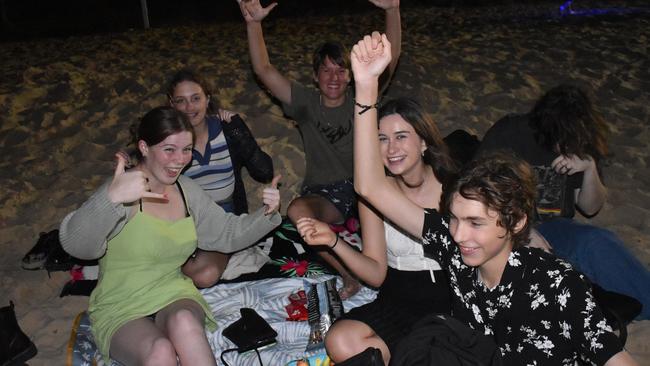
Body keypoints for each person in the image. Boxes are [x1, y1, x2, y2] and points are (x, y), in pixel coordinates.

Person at [313, 31, 636, 365]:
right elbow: (370, 188)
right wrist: (365, 87)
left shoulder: (553, 281)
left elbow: (612, 355)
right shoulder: (457, 258)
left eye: (476, 223)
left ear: (516, 223)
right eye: (453, 219)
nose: (459, 234)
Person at [59, 106, 281, 365]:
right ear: (144, 147)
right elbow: (77, 245)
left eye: (186, 149)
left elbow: (226, 234)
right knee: (160, 351)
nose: (179, 159)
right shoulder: (123, 190)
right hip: (120, 302)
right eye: (169, 149)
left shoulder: (186, 190)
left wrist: (267, 212)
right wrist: (110, 198)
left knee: (185, 323)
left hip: (172, 292)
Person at [238, 0, 401, 298]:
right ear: (315, 77)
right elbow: (263, 69)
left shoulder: (362, 96)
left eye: (340, 71)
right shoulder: (306, 104)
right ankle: (348, 275)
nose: (334, 78)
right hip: (327, 194)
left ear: (351, 75)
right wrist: (254, 24)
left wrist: (392, 10)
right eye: (326, 71)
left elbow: (391, 58)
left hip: (369, 188)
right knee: (297, 210)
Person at [296, 97, 456, 364]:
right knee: (339, 340)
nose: (391, 148)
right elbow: (376, 274)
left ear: (424, 142)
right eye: (382, 139)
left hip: (447, 298)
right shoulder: (373, 194)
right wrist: (334, 241)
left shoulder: (453, 188)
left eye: (401, 136)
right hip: (398, 297)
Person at [478, 84, 650, 319]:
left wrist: (589, 169)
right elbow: (477, 191)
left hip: (555, 228)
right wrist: (521, 229)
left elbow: (590, 208)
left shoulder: (578, 144)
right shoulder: (511, 132)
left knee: (597, 242)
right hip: (503, 226)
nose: (567, 144)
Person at [167, 69, 275, 288]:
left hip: (222, 220)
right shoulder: (169, 138)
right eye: (181, 101)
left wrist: (239, 130)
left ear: (208, 98)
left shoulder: (226, 129)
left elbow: (264, 172)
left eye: (196, 98)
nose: (189, 108)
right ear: (172, 104)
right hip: (184, 221)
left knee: (204, 275)